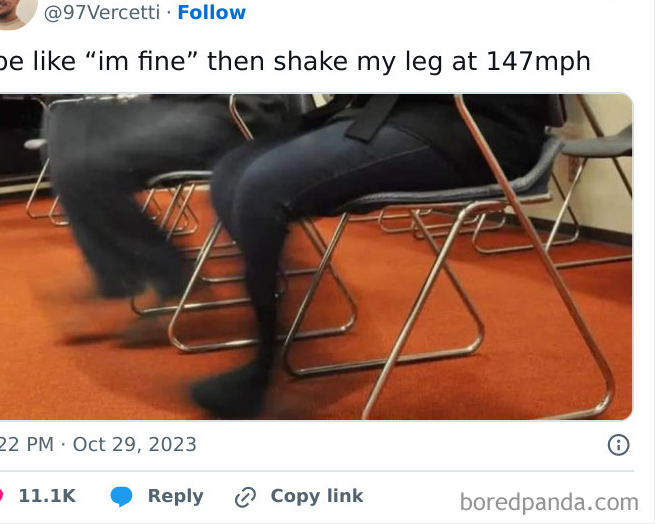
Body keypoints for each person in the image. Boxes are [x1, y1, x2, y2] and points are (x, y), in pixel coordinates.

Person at [191, 94, 556, 418]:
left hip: (474, 124)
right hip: (399, 110)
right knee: (230, 173)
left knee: (262, 186)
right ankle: (286, 331)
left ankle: (262, 368)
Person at [45, 94, 290, 306]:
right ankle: (120, 274)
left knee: (86, 164)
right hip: (177, 104)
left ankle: (159, 277)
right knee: (67, 119)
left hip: (229, 113)